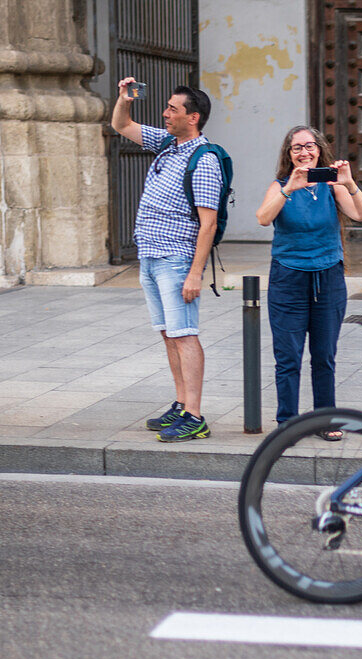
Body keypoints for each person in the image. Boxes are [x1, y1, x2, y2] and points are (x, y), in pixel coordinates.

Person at [111, 77, 222, 442]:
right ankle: (180, 402)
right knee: (169, 334)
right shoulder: (166, 144)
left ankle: (195, 415)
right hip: (151, 257)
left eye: (173, 109)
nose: (165, 113)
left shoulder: (204, 160)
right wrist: (124, 99)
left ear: (194, 118)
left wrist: (195, 273)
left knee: (185, 335)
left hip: (177, 259)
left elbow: (208, 224)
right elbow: (121, 125)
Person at [255, 126, 362, 438]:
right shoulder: (280, 186)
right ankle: (287, 423)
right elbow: (263, 218)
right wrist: (288, 189)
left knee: (324, 355)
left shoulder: (332, 187)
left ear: (319, 150)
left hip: (328, 278)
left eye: (310, 146)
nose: (304, 152)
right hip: (288, 279)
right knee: (288, 356)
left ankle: (325, 420)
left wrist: (349, 184)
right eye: (297, 148)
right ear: (288, 154)